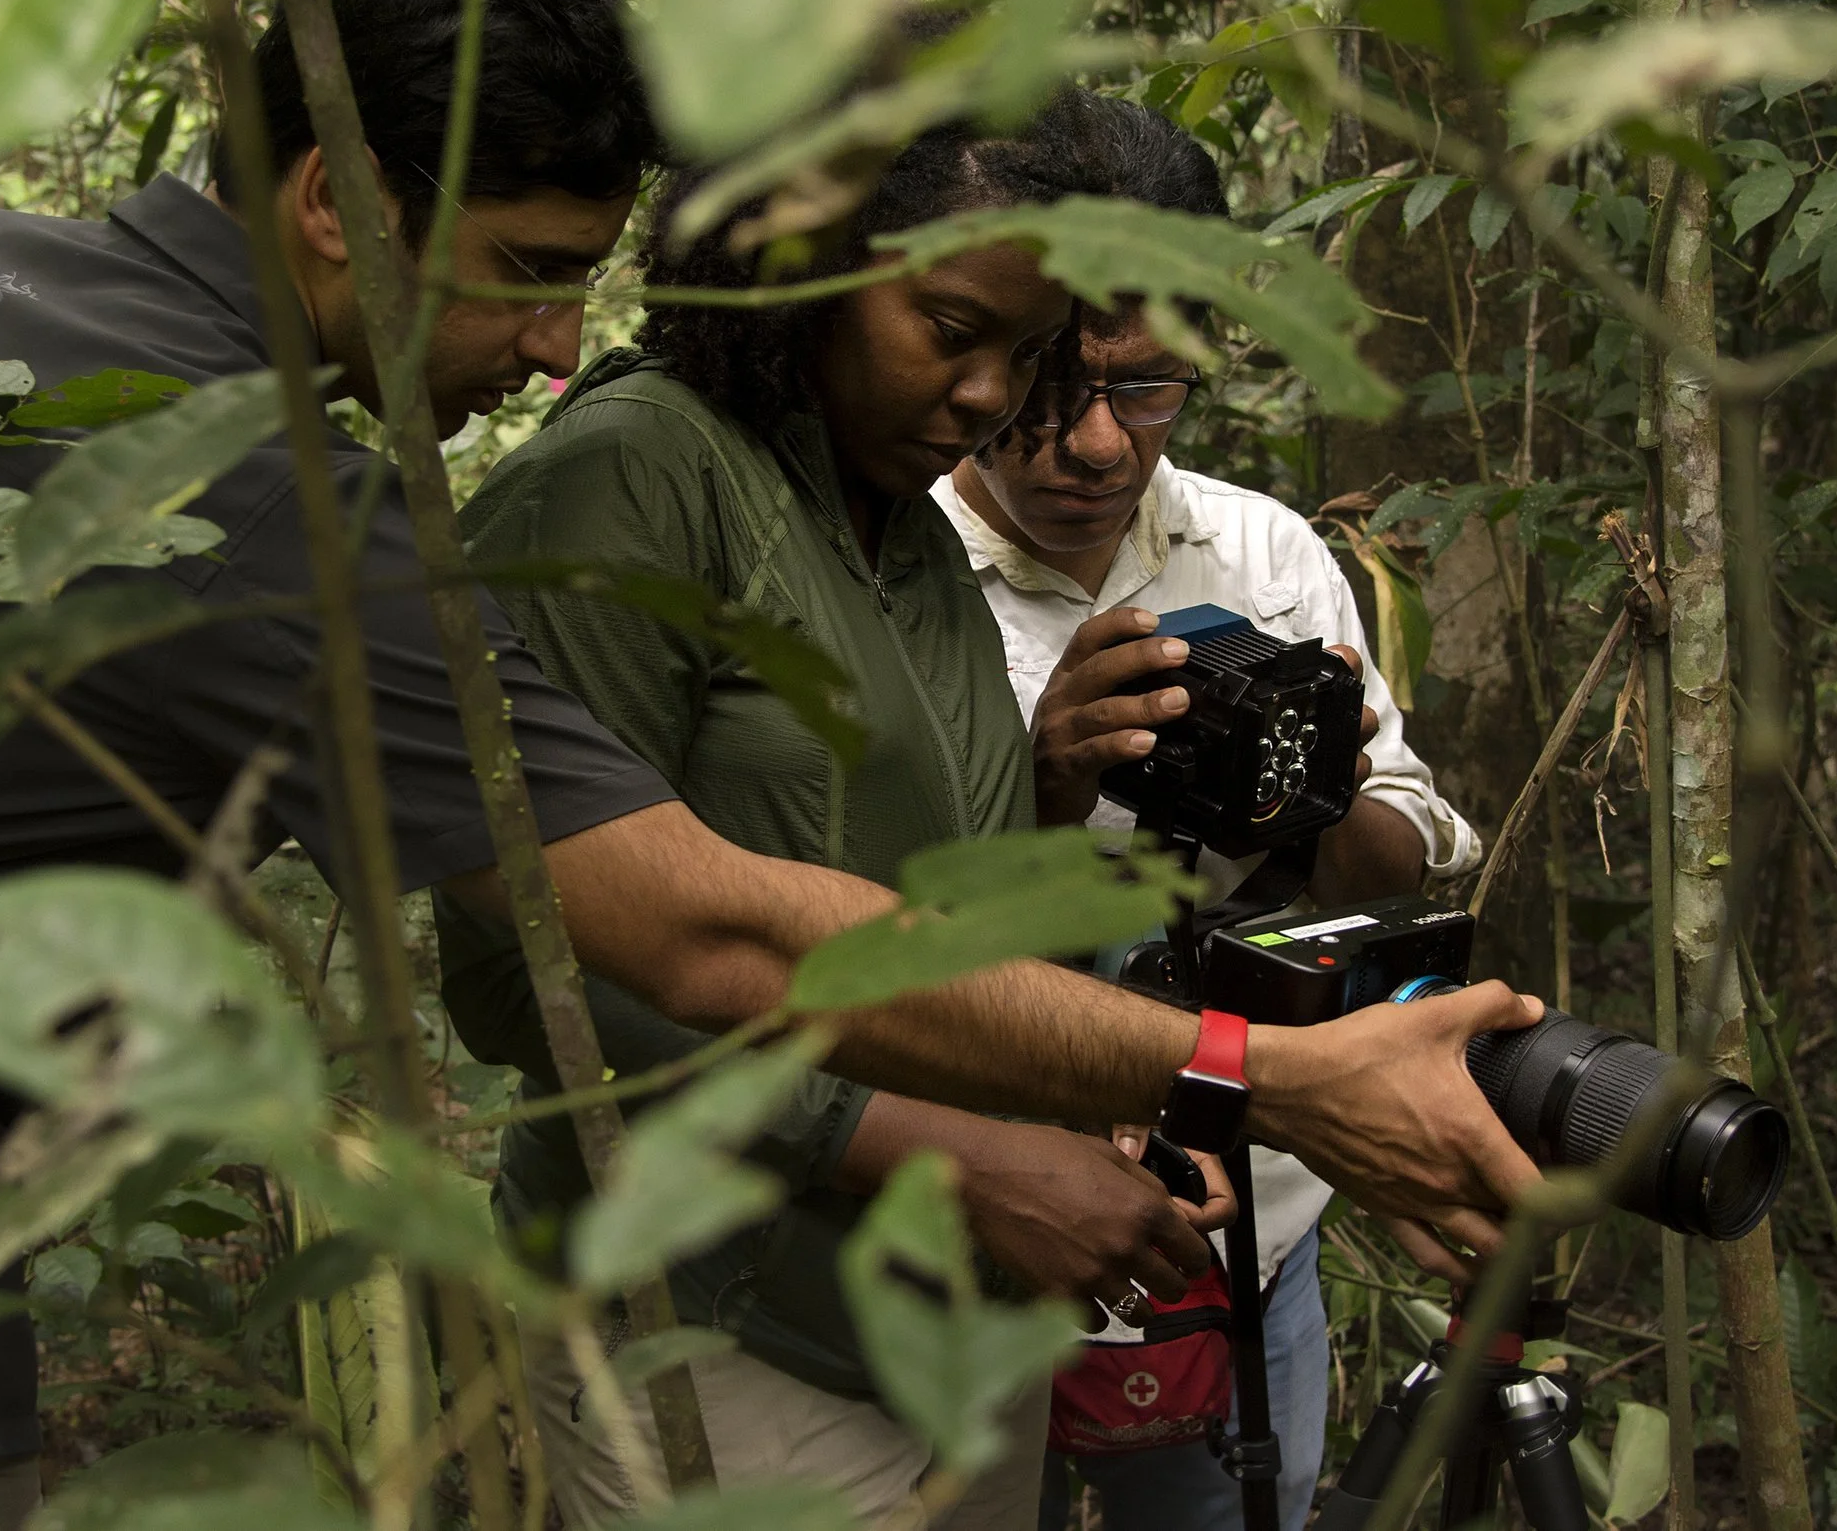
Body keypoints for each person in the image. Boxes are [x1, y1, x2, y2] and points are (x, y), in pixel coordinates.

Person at [0, 0, 1536, 1531]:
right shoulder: (278, 498)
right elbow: (682, 928)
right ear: (332, 204)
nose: (556, 347)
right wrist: (1269, 1075)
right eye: (535, 274)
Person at [440, 85, 1252, 1529]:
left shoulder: (910, 532)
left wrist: (1071, 1095)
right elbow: (524, 974)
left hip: (949, 1336)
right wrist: (952, 1147)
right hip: (715, 1330)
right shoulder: (632, 481)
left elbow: (921, 915)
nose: (994, 397)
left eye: (1028, 351)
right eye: (950, 334)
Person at [927, 101, 1481, 1531]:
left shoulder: (1263, 551)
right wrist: (1049, 774)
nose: (1097, 445)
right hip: (977, 1226)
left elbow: (1412, 853)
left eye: (1150, 384)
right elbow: (851, 929)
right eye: (1049, 384)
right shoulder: (898, 568)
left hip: (1251, 1227)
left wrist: (1322, 791)